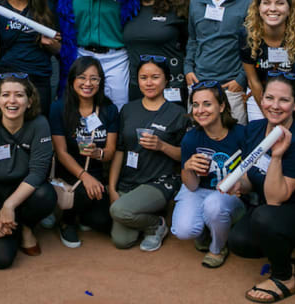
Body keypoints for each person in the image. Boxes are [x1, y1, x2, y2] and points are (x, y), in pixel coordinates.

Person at [227, 72, 295, 303]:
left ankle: (284, 278)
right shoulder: (255, 129)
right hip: (281, 214)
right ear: (261, 99)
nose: (275, 106)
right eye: (269, 98)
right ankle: (292, 251)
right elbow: (251, 176)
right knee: (240, 241)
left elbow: (275, 198)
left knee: (264, 216)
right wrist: (241, 184)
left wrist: (277, 156)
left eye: (284, 100)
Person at [0, 74, 56, 269]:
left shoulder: (39, 125)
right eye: (6, 95)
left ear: (29, 101)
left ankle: (25, 227)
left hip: (22, 194)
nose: (12, 101)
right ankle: (4, 226)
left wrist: (9, 206)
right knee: (2, 260)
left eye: (19, 95)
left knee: (45, 194)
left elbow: (38, 172)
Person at [109, 57, 187, 251]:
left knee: (120, 210)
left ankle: (156, 225)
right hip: (129, 181)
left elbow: (184, 156)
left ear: (166, 80)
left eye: (155, 77)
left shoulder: (177, 113)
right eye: (144, 77)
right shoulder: (128, 109)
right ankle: (148, 217)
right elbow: (120, 150)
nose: (149, 82)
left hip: (159, 181)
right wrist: (111, 187)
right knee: (122, 241)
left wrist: (162, 146)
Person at [172, 81, 246, 268]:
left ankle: (217, 248)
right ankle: (208, 228)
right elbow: (191, 186)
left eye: (207, 104)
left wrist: (240, 184)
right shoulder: (191, 138)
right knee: (183, 230)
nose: (200, 110)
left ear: (221, 106)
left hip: (230, 196)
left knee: (214, 205)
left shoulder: (241, 134)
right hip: (200, 190)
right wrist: (188, 168)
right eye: (195, 105)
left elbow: (251, 176)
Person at [49, 57, 119, 247]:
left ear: (101, 82)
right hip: (69, 176)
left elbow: (111, 151)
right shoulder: (58, 108)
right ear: (72, 80)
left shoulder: (109, 110)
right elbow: (61, 152)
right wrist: (84, 176)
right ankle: (67, 221)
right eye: (82, 77)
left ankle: (84, 215)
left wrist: (100, 153)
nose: (88, 83)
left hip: (97, 178)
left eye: (94, 78)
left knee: (105, 223)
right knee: (80, 194)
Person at [185, 0, 254, 124]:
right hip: (199, 84)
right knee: (199, 141)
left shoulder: (250, 0)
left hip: (231, 87)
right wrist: (188, 69)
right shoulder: (196, 0)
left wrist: (241, 79)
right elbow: (193, 40)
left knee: (235, 144)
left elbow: (255, 44)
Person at [239, 0, 295, 122]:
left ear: (290, 8)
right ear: (258, 7)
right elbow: (253, 81)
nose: (272, 8)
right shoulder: (247, 35)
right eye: (266, 3)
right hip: (261, 96)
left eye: (280, 3)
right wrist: (269, 116)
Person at [123, 0, 187, 102]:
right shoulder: (127, 11)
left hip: (171, 86)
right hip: (138, 87)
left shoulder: (176, 9)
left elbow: (191, 43)